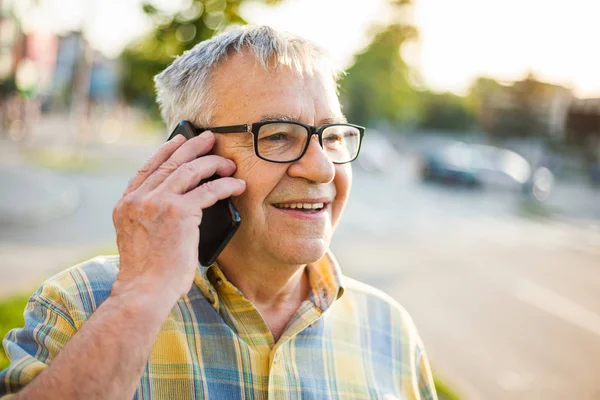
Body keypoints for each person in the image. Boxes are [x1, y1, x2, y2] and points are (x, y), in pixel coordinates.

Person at [0, 26, 437, 399]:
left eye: (333, 137)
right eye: (279, 136)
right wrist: (139, 299)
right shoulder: (81, 305)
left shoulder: (390, 330)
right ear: (189, 156)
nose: (322, 167)